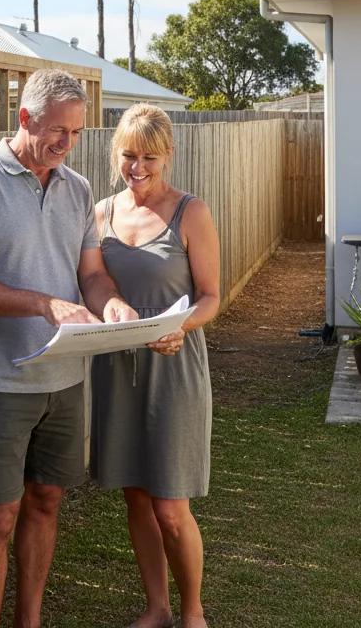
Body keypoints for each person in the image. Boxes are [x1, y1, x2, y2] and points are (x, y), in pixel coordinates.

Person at [0, 68, 138, 628]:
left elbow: (91, 274)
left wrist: (113, 305)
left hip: (65, 380)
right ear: (24, 118)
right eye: (58, 131)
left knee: (47, 502)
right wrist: (46, 304)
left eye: (76, 134)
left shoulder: (76, 189)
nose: (67, 144)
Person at [90, 104, 221, 628]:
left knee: (170, 506)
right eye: (128, 155)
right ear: (115, 153)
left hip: (176, 367)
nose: (137, 167)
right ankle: (157, 608)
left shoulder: (191, 212)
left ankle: (193, 612)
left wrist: (180, 327)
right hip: (117, 369)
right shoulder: (100, 213)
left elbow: (212, 297)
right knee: (137, 499)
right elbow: (93, 284)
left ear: (169, 155)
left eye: (149, 156)